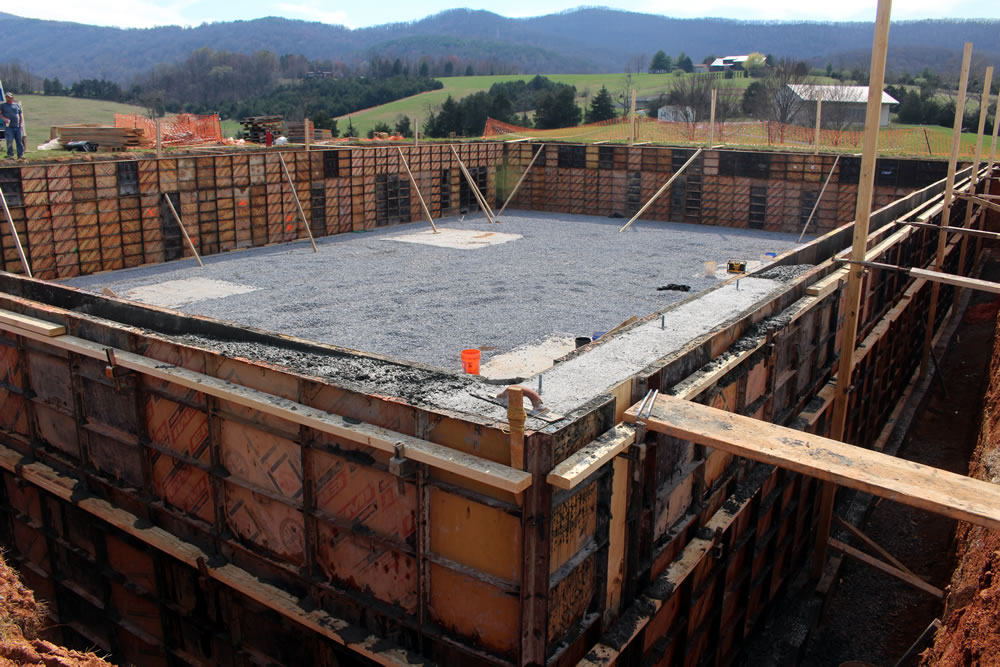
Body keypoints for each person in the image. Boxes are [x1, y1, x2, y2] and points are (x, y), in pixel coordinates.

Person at [0, 92, 25, 160]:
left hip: (17, 126)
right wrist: (4, 119)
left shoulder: (16, 105)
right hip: (9, 127)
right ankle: (10, 155)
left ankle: (20, 155)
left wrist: (21, 124)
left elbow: (20, 115)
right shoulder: (3, 106)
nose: (8, 98)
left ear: (12, 98)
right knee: (10, 140)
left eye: (9, 97)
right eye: (7, 97)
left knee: (19, 141)